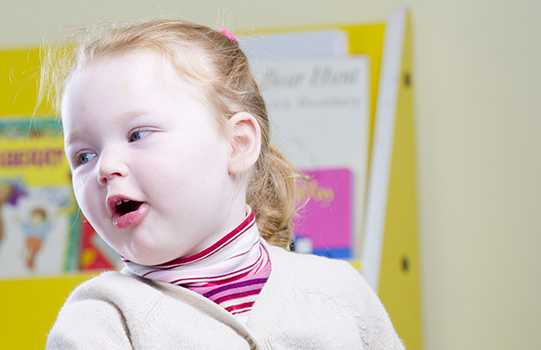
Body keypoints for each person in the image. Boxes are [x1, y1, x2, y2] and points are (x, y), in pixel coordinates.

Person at [42, 19, 403, 349]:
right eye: (83, 156)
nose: (105, 167)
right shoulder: (99, 322)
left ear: (237, 144)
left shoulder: (339, 292)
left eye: (138, 134)